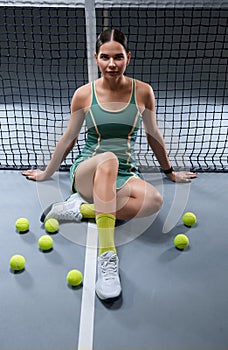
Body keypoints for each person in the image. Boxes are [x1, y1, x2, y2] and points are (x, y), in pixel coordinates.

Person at [22, 29, 196, 301]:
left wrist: (169, 172)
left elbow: (153, 135)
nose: (112, 64)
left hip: (126, 172)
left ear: (128, 57)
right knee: (108, 159)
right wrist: (47, 173)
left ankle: (80, 209)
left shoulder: (143, 92)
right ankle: (108, 258)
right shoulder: (83, 95)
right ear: (96, 58)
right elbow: (69, 138)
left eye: (118, 57)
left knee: (154, 201)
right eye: (105, 57)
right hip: (88, 173)